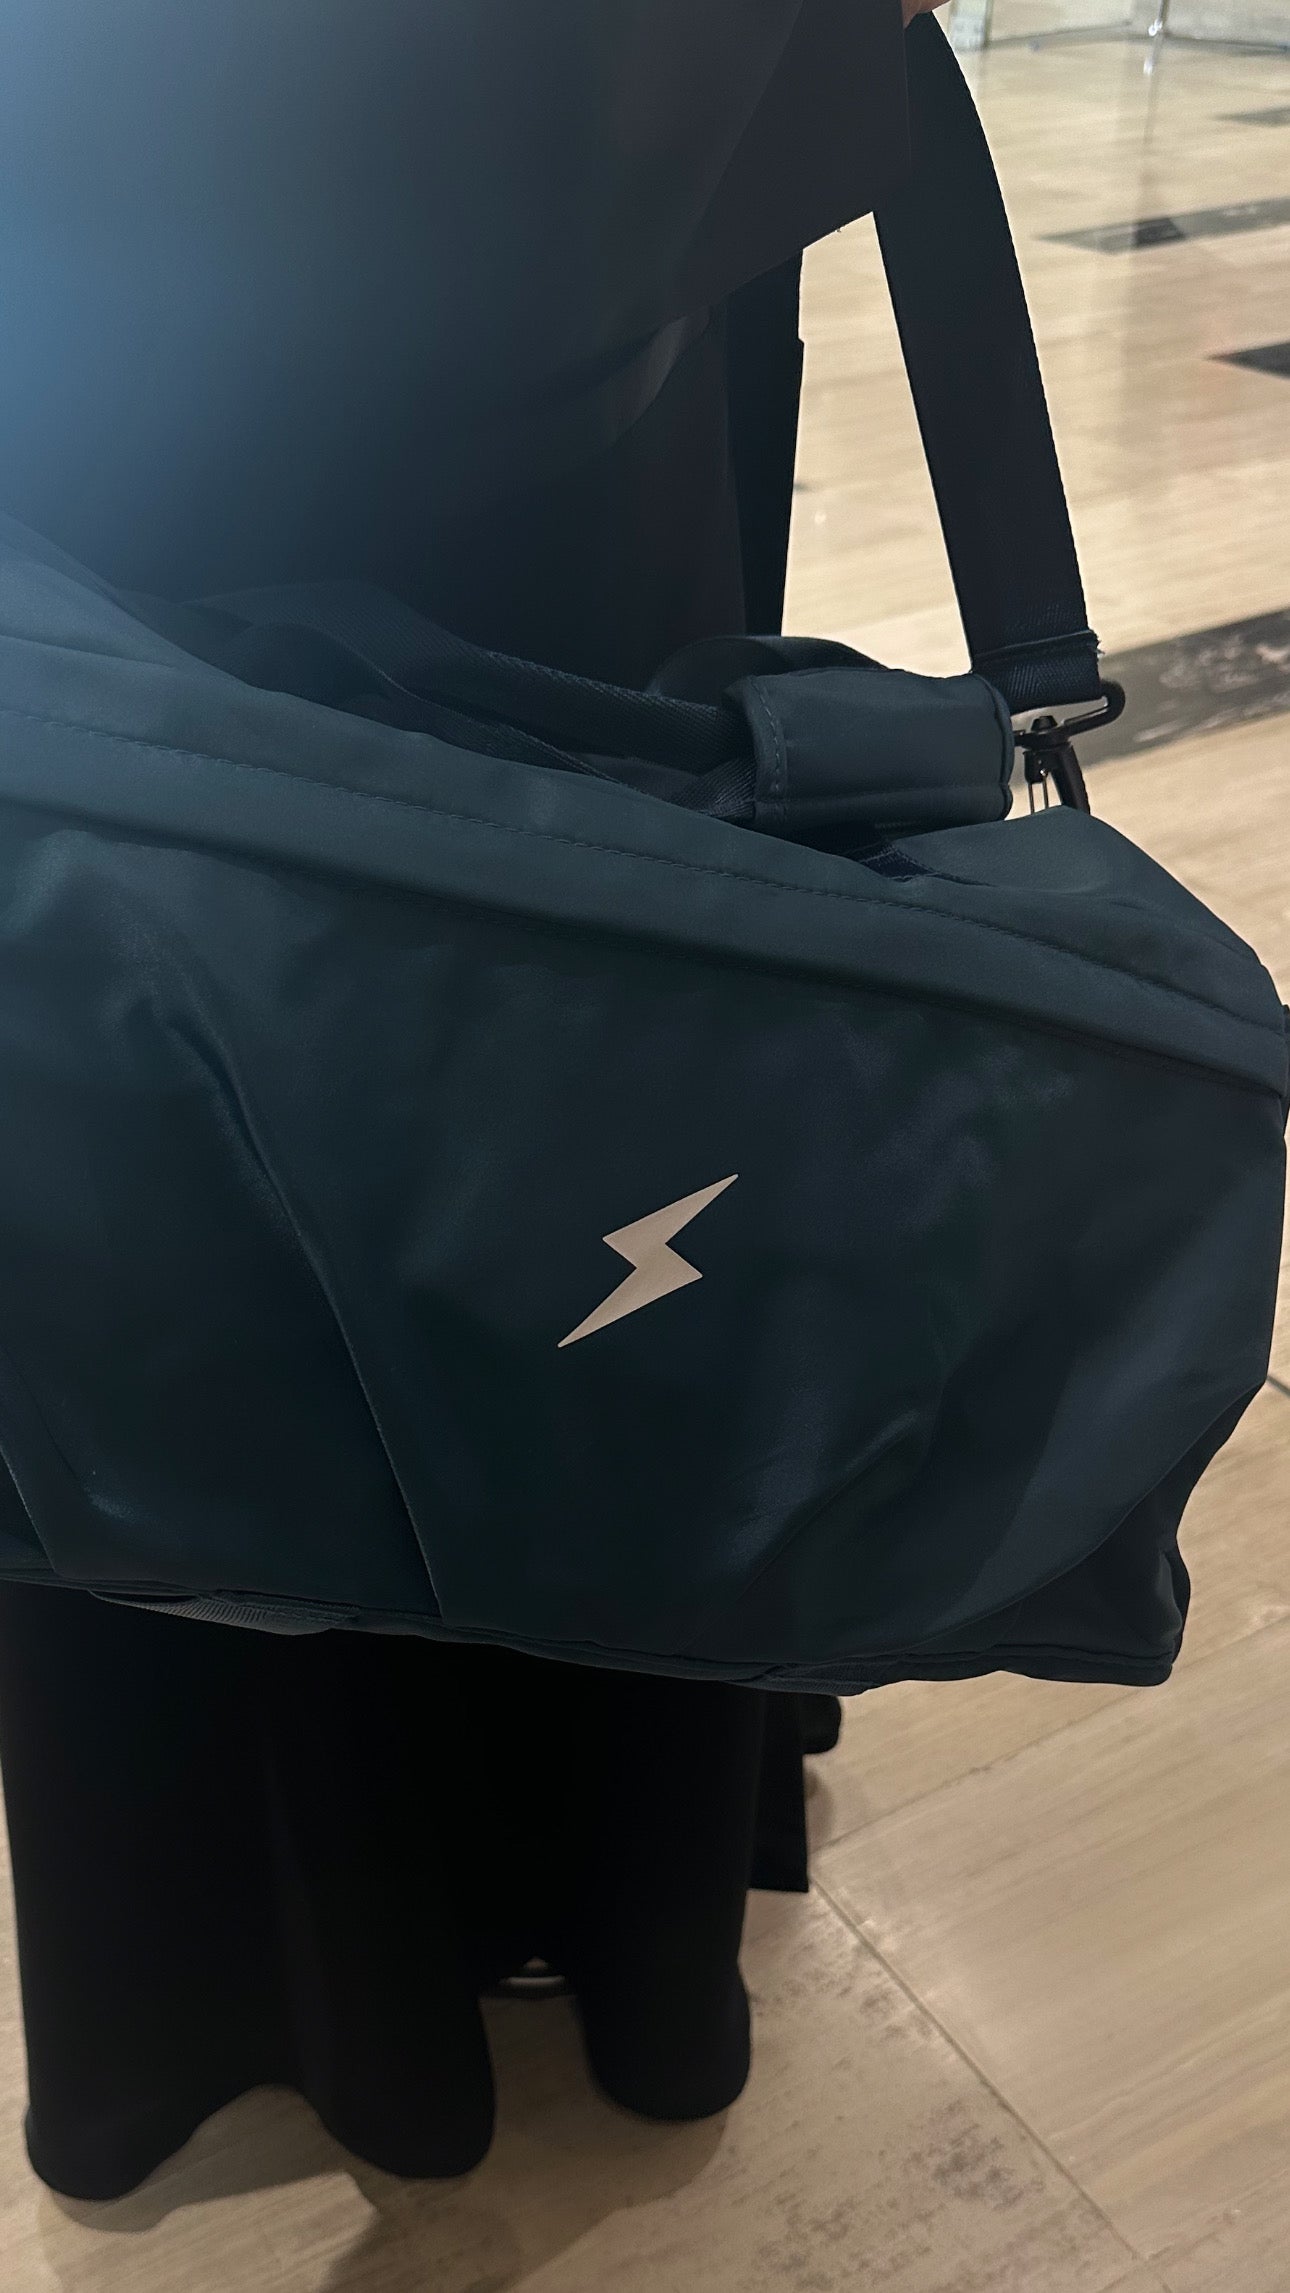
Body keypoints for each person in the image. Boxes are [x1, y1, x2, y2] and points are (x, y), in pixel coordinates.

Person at [0, 0, 930, 2198]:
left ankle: (278, 1955)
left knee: (187, 1092)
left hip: (116, 267)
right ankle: (612, 1886)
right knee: (600, 1076)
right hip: (598, 191)